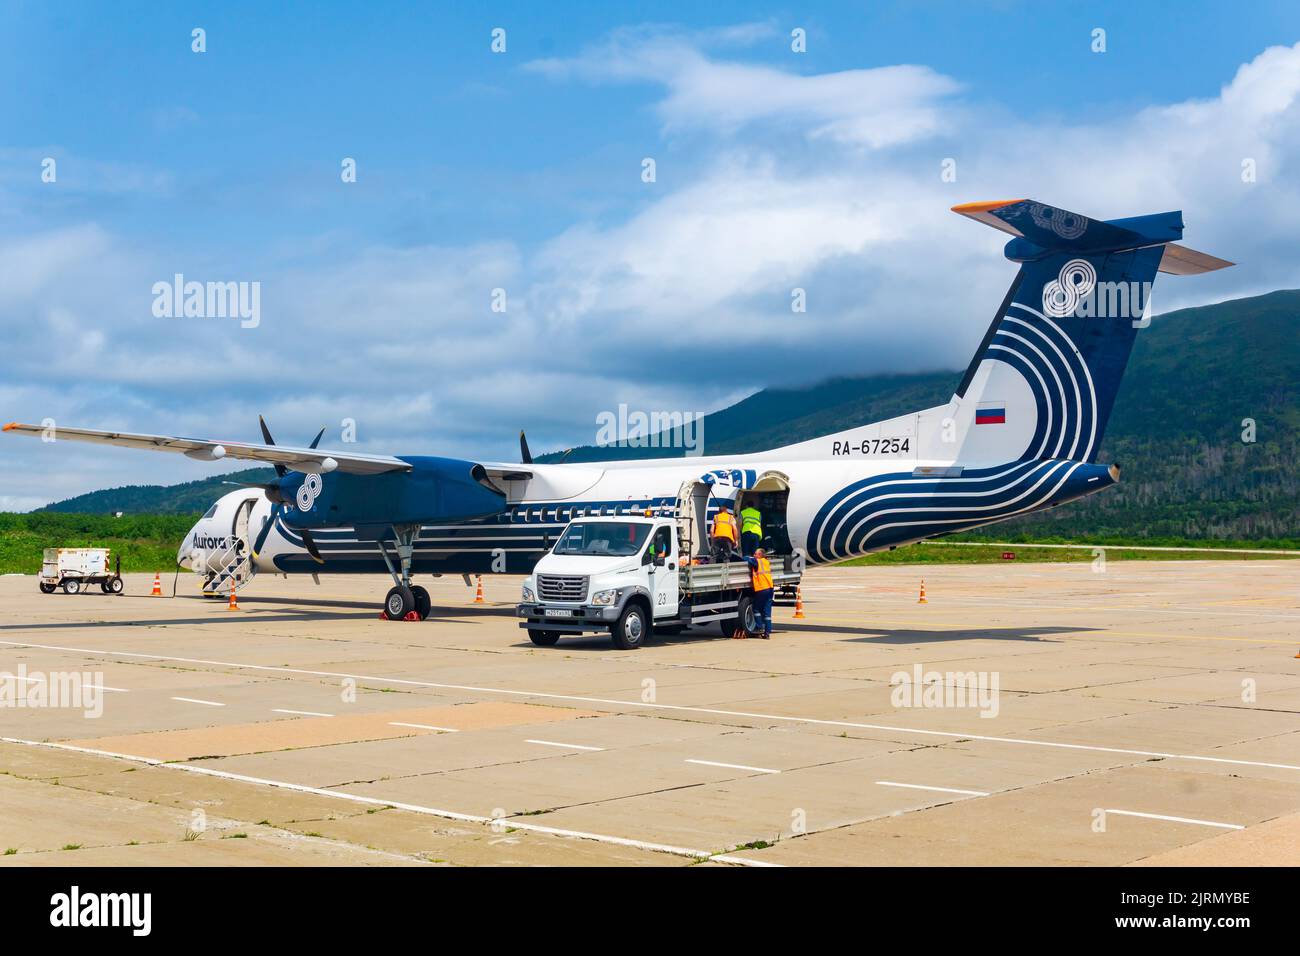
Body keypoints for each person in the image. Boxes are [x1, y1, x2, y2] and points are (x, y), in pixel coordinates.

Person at [745, 547, 774, 639]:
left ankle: (759, 627)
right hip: (770, 588)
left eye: (755, 554)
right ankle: (767, 632)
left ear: (760, 555)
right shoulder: (766, 562)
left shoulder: (757, 561)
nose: (754, 555)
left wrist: (746, 556)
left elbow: (747, 560)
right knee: (767, 611)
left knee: (756, 609)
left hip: (762, 589)